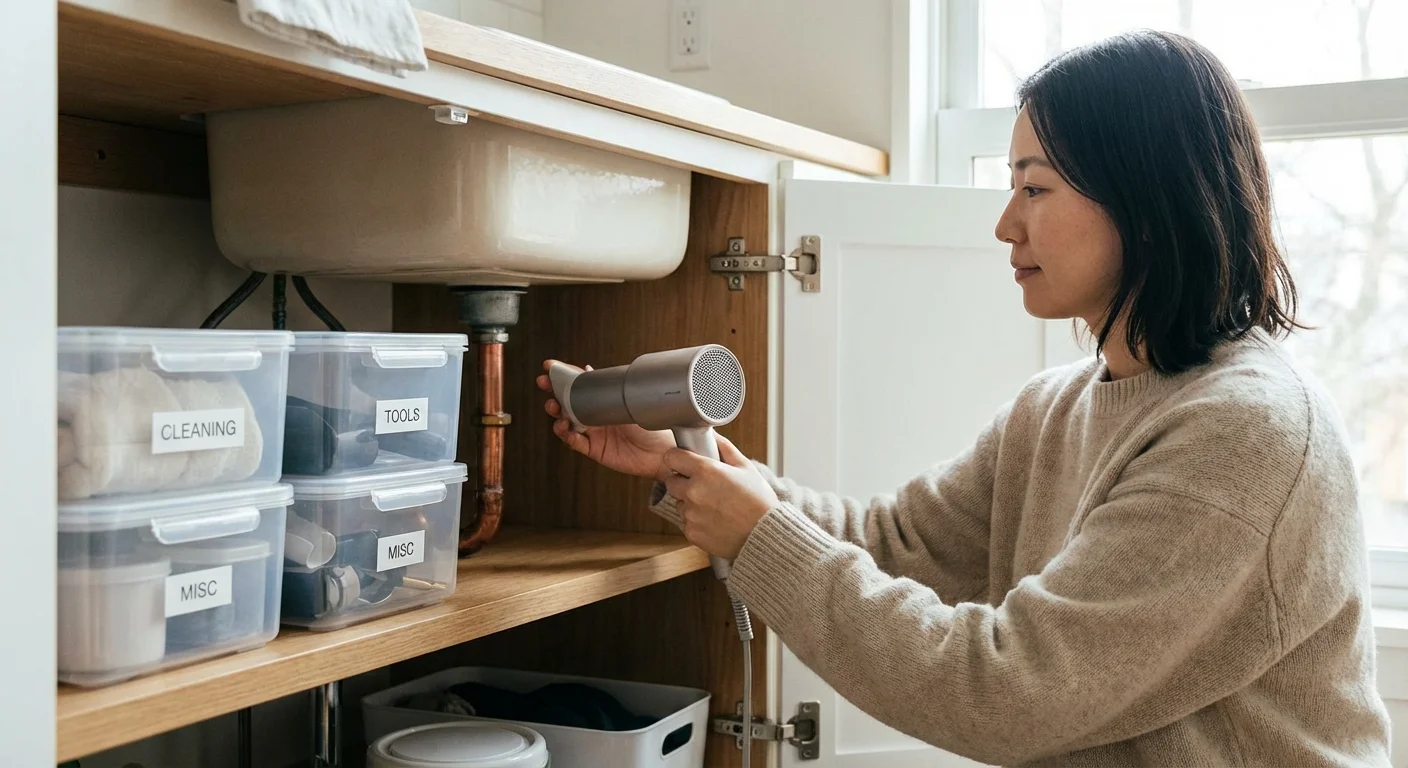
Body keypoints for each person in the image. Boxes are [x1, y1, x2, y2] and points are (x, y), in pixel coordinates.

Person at [536, 30, 1391, 767]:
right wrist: (698, 467)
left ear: (1145, 197)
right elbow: (891, 543)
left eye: (1035, 187)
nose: (1004, 224)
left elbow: (1007, 689)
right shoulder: (1055, 409)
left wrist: (759, 537)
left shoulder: (1246, 436)